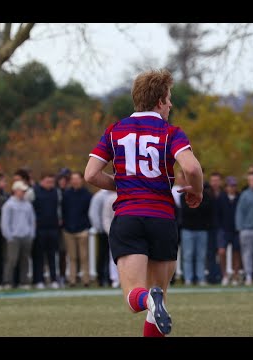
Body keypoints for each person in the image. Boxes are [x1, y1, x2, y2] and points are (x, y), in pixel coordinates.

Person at [84, 69, 203, 337]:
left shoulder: (115, 130)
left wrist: (126, 182)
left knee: (135, 296)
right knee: (158, 298)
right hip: (162, 219)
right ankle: (153, 300)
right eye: (169, 99)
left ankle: (148, 299)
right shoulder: (171, 132)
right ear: (160, 101)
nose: (171, 105)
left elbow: (90, 174)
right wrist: (198, 190)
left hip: (129, 218)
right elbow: (192, 169)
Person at [1, 180, 36, 289]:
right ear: (15, 191)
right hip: (14, 237)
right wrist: (9, 236)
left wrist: (31, 234)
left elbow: (32, 220)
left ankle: (24, 282)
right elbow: (5, 222)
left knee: (25, 260)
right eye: (22, 190)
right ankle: (8, 281)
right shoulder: (9, 205)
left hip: (26, 236)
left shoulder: (27, 205)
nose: (23, 193)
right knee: (12, 260)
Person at [62, 172, 92, 287]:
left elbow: (90, 212)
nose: (75, 181)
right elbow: (63, 211)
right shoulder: (66, 195)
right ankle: (72, 280)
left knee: (84, 257)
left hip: (83, 230)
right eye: (73, 179)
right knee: (72, 257)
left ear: (81, 180)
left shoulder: (87, 195)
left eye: (77, 179)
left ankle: (86, 280)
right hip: (68, 230)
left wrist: (88, 226)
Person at [32, 173, 60, 289]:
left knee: (52, 256)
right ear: (41, 181)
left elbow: (59, 209)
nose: (50, 184)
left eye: (52, 182)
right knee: (39, 256)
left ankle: (54, 279)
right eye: (48, 182)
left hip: (53, 228)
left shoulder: (56, 192)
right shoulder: (34, 192)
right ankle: (39, 280)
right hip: (40, 229)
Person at [216, 176, 241, 286]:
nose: (232, 188)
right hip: (223, 229)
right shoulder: (221, 198)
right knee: (222, 252)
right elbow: (216, 214)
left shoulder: (240, 197)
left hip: (236, 229)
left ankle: (235, 275)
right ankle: (225, 275)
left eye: (234, 186)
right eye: (230, 186)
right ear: (226, 187)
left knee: (236, 253)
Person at [88, 188, 113, 287]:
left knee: (112, 256)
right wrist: (99, 228)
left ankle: (110, 278)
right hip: (103, 231)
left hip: (115, 231)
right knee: (103, 255)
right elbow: (94, 213)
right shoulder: (99, 196)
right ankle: (101, 278)